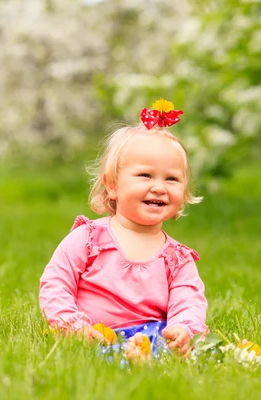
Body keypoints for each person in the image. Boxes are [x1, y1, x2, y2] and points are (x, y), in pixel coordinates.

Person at [39, 99, 208, 363]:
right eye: (145, 175)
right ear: (112, 185)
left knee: (189, 352)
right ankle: (128, 358)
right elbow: (56, 284)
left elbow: (189, 301)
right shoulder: (88, 239)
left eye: (172, 179)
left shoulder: (177, 259)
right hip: (94, 333)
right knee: (94, 354)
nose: (159, 187)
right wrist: (72, 325)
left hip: (152, 335)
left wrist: (183, 329)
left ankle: (141, 357)